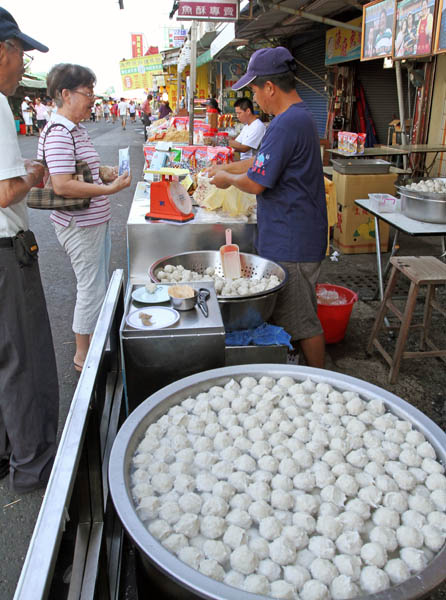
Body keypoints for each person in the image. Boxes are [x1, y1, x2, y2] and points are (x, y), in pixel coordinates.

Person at [210, 47, 327, 368]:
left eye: (255, 90)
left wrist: (227, 179)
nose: (255, 98)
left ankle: (323, 383)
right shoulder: (297, 118)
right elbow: (262, 163)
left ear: (270, 88)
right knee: (296, 316)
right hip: (293, 233)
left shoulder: (286, 124)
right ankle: (298, 369)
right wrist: (228, 169)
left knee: (303, 321)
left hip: (294, 240)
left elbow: (257, 182)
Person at [38, 63, 131, 372]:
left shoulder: (73, 128)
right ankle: (82, 356)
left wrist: (102, 172)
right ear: (65, 94)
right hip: (79, 223)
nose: (93, 99)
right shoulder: (60, 132)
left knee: (96, 282)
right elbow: (63, 184)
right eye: (87, 93)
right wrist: (109, 189)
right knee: (90, 286)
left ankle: (92, 344)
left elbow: (77, 169)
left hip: (90, 221)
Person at [0, 6, 59, 493]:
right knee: (24, 357)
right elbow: (3, 192)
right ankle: (33, 465)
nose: (24, 67)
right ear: (3, 51)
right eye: (21, 54)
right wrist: (33, 176)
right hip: (6, 251)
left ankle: (7, 454)